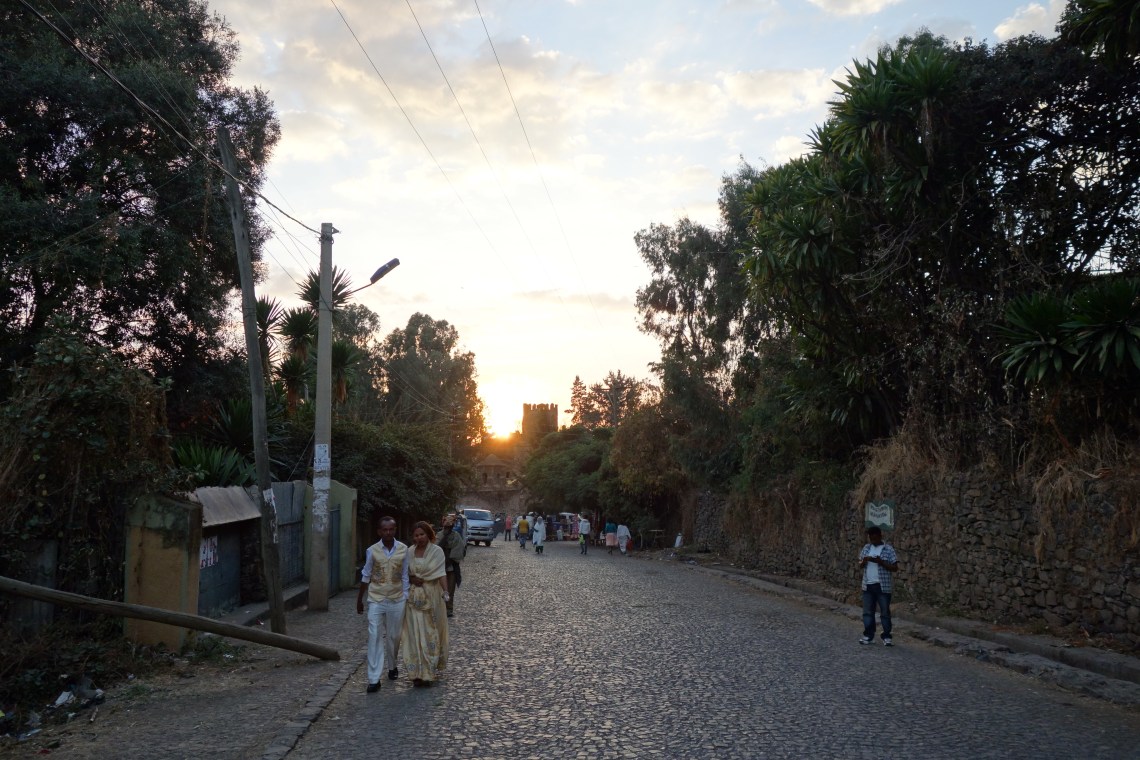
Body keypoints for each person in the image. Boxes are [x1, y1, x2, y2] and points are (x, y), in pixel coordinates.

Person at [356, 516, 409, 693]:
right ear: (379, 531)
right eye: (384, 530)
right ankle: (373, 678)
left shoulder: (403, 549)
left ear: (395, 530)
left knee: (394, 636)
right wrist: (360, 600)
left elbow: (405, 575)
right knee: (374, 635)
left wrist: (406, 595)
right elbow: (366, 574)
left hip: (397, 598)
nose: (388, 532)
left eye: (391, 529)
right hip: (376, 599)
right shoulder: (372, 550)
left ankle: (392, 665)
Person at [402, 521, 450, 686]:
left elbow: (441, 573)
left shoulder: (437, 552)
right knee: (414, 634)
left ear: (428, 534)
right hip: (413, 600)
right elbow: (403, 574)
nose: (419, 537)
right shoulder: (408, 552)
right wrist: (411, 578)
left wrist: (446, 592)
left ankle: (428, 672)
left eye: (422, 534)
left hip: (432, 598)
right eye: (416, 535)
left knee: (430, 633)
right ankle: (416, 672)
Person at [859, 525, 899, 646]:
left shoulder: (888, 549)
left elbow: (895, 567)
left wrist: (881, 562)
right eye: (871, 539)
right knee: (867, 612)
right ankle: (868, 635)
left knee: (885, 612)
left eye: (875, 538)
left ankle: (887, 636)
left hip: (883, 586)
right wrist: (865, 561)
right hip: (868, 585)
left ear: (880, 536)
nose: (873, 541)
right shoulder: (866, 548)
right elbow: (860, 564)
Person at [437, 515, 465, 618]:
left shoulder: (456, 536)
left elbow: (459, 548)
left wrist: (450, 559)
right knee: (439, 589)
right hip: (440, 566)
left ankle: (449, 609)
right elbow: (436, 548)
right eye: (446, 527)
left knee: (450, 589)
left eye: (449, 527)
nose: (447, 528)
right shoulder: (439, 535)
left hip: (451, 566)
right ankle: (440, 608)